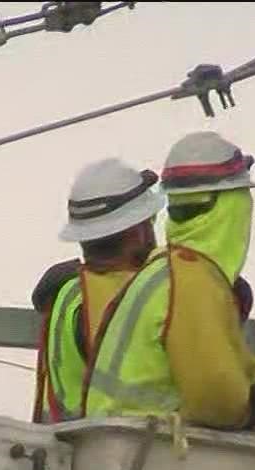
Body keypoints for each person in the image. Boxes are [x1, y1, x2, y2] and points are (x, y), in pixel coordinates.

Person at [84, 131, 255, 460]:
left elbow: (243, 367)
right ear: (230, 206)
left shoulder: (165, 270)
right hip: (148, 468)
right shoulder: (192, 279)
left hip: (117, 459)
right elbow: (218, 400)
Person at [30, 158, 166, 423]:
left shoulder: (67, 293)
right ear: (137, 233)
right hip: (137, 455)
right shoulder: (140, 298)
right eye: (149, 221)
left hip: (71, 451)